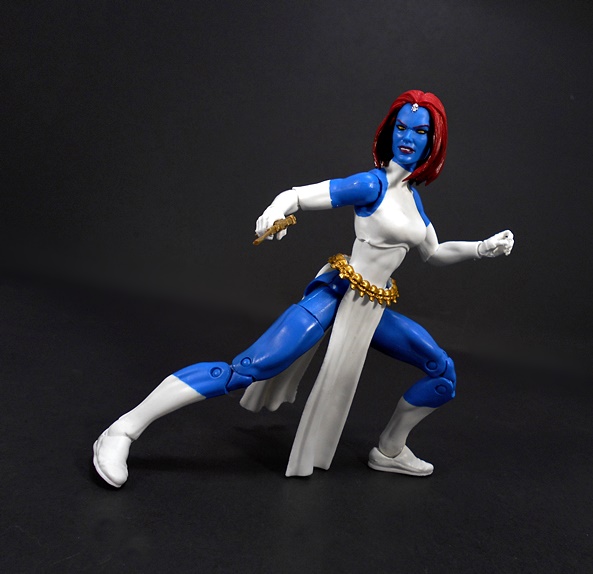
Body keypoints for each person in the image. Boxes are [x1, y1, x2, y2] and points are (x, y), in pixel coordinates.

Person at [93, 89, 514, 487]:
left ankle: (390, 449)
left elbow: (434, 252)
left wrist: (482, 248)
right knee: (247, 368)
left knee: (441, 372)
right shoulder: (372, 185)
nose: (408, 138)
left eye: (420, 131)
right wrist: (275, 211)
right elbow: (297, 196)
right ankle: (122, 430)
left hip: (371, 309)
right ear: (390, 131)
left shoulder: (412, 199)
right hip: (334, 296)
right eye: (402, 127)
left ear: (433, 141)